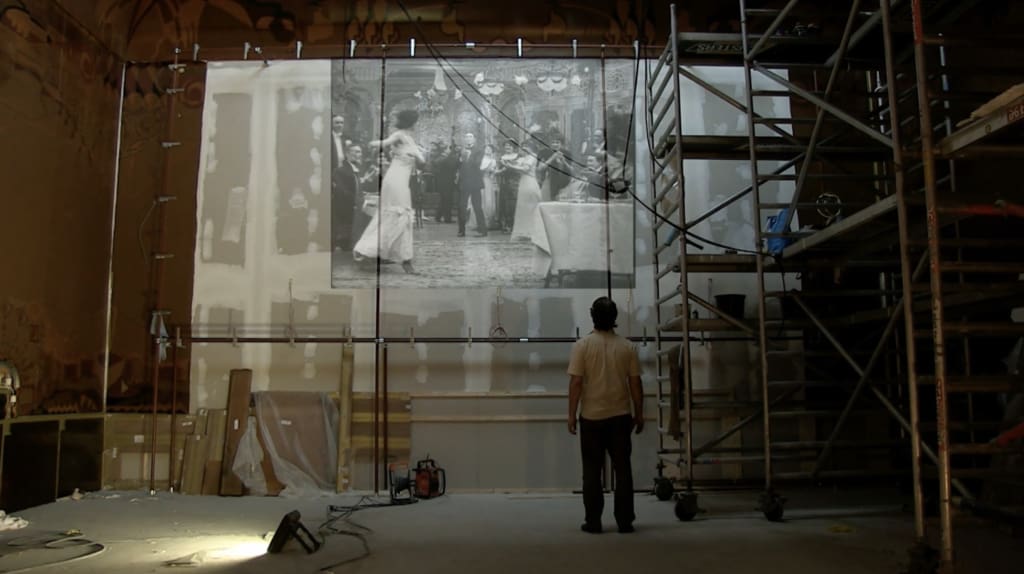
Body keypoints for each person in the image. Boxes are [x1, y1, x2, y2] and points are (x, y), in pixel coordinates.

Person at [567, 297, 643, 534]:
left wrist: (571, 415)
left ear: (592, 316)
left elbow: (576, 383)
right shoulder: (627, 347)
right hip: (620, 417)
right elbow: (635, 385)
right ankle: (624, 521)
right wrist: (639, 414)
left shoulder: (582, 346)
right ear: (615, 318)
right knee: (623, 470)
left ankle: (593, 521)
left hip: (591, 418)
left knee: (591, 470)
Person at [352, 109, 425, 274]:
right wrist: (371, 144)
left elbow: (421, 162)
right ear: (411, 122)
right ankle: (399, 259)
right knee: (397, 216)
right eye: (416, 121)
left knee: (402, 219)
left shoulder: (410, 140)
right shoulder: (399, 135)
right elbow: (385, 142)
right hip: (395, 180)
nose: (417, 123)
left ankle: (382, 254)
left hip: (401, 181)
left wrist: (419, 157)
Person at [509, 140, 542, 240]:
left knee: (530, 207)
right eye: (523, 147)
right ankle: (524, 231)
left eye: (525, 147)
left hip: (529, 183)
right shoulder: (525, 158)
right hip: (524, 182)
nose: (523, 149)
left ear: (530, 148)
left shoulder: (531, 157)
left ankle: (531, 231)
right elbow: (520, 168)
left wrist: (510, 166)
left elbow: (525, 169)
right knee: (523, 207)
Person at [456, 132, 487, 237]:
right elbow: (458, 165)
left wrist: (466, 157)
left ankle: (483, 230)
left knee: (477, 206)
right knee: (461, 206)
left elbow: (477, 163)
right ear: (464, 139)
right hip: (464, 182)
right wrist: (460, 160)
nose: (468, 139)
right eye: (466, 137)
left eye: (470, 137)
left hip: (475, 182)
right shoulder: (461, 151)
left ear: (474, 139)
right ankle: (461, 230)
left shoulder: (479, 150)